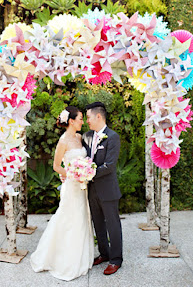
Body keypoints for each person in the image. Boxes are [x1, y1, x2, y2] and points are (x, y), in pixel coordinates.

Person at [30, 106, 94, 281]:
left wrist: (85, 173)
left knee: (81, 219)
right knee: (68, 220)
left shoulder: (80, 138)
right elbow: (56, 166)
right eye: (80, 118)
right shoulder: (63, 141)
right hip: (71, 187)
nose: (83, 121)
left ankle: (82, 257)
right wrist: (74, 174)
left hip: (82, 186)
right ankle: (61, 259)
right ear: (71, 121)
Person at [82, 102, 123, 275]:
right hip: (92, 190)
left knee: (113, 225)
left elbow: (109, 166)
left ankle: (116, 259)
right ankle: (104, 254)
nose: (87, 121)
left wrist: (87, 174)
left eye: (89, 117)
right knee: (98, 224)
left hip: (108, 189)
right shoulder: (86, 136)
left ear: (98, 116)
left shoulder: (112, 137)